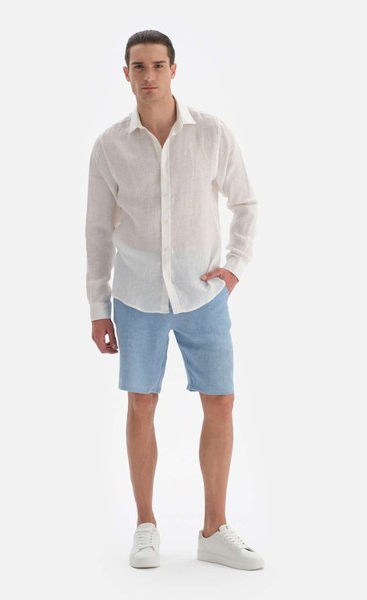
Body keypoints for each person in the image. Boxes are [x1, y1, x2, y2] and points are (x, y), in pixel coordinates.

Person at [85, 29, 264, 571]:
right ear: (126, 74)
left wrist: (234, 268)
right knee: (141, 403)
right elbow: (97, 231)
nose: (149, 76)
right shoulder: (110, 146)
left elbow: (245, 203)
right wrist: (98, 308)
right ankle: (146, 525)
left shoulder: (211, 133)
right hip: (136, 296)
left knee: (221, 401)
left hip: (202, 293)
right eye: (138, 67)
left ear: (173, 70)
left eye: (158, 65)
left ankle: (214, 529)